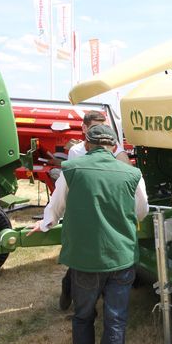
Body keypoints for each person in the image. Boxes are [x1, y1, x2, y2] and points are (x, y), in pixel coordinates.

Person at [28, 124, 148, 344]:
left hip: (84, 258)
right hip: (121, 255)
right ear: (113, 146)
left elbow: (56, 207)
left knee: (83, 317)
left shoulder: (71, 169)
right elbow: (141, 211)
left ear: (87, 144)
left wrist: (45, 223)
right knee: (115, 320)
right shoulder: (132, 173)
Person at [58, 110, 131, 310]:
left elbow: (124, 164)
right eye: (95, 127)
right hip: (85, 212)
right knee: (82, 261)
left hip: (106, 208)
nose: (100, 131)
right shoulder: (76, 152)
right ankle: (69, 290)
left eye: (103, 126)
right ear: (85, 129)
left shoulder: (112, 146)